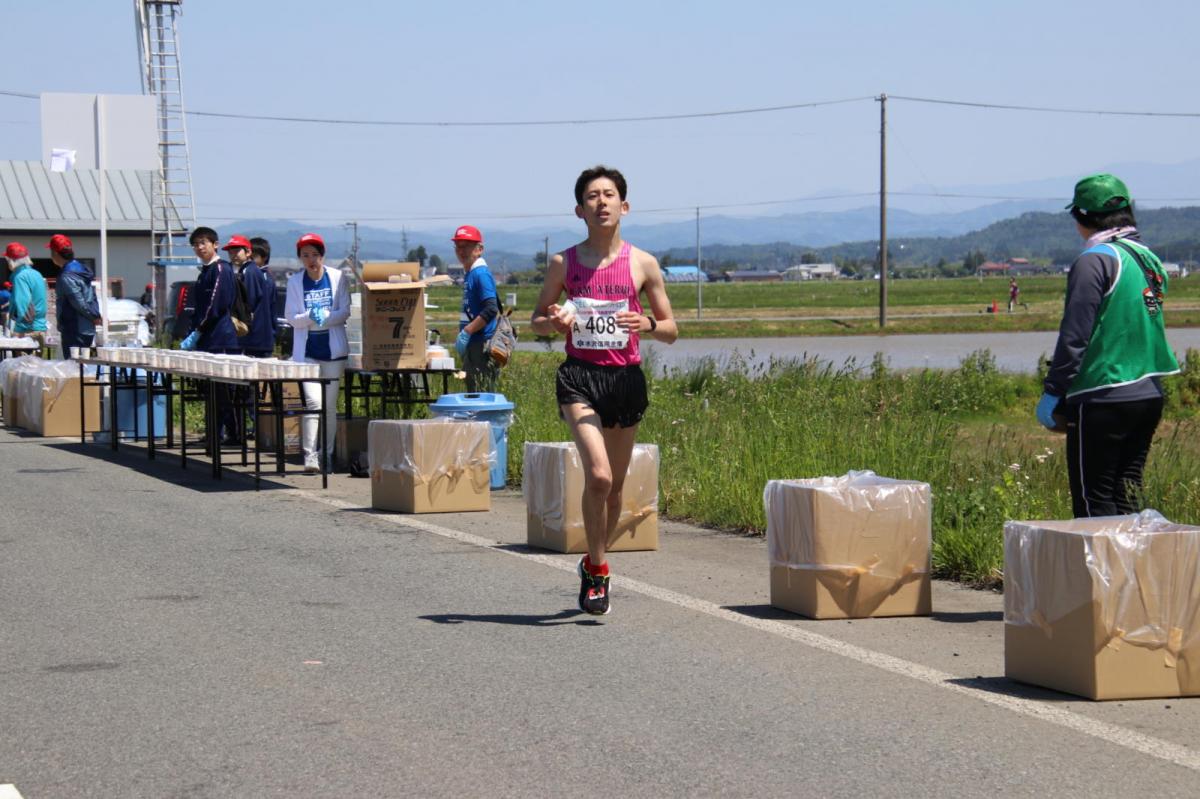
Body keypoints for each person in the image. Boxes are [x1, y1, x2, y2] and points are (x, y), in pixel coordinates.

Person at [530, 165, 677, 615]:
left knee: (613, 492)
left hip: (625, 380)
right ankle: (598, 571)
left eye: (609, 194)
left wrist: (647, 323)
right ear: (580, 209)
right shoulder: (564, 263)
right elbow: (536, 322)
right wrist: (553, 323)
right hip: (580, 377)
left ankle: (594, 561)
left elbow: (671, 329)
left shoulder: (643, 263)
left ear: (624, 206)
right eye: (592, 196)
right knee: (598, 476)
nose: (601, 202)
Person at [1038, 173, 1179, 517]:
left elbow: (1075, 335)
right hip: (1148, 393)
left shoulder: (1095, 260)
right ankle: (1130, 569)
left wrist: (1053, 391)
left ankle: (1101, 571)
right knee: (1127, 493)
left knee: (1094, 501)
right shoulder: (1147, 258)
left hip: (1103, 393)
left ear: (1081, 218)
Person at [285, 233, 350, 474]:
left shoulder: (337, 277)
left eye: (314, 254)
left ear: (322, 256)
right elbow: (292, 318)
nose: (311, 260)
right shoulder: (295, 282)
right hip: (307, 352)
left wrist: (327, 317)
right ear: (300, 258)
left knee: (330, 406)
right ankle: (310, 455)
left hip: (334, 352)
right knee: (313, 402)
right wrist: (309, 317)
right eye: (305, 255)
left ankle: (327, 454)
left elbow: (344, 312)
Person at [182, 226, 241, 445]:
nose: (199, 247)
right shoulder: (204, 271)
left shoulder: (220, 269)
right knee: (211, 389)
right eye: (196, 244)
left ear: (215, 244)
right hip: (207, 338)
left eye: (203, 243)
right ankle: (214, 432)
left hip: (221, 338)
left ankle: (233, 433)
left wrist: (199, 330)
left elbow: (215, 305)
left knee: (224, 389)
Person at [451, 225, 499, 392]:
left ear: (479, 249)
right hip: (474, 346)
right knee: (473, 393)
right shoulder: (470, 273)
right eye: (458, 246)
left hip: (481, 347)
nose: (461, 251)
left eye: (467, 246)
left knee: (480, 396)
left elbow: (491, 309)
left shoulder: (480, 274)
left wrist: (467, 332)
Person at [223, 234, 276, 358]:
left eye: (237, 250)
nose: (233, 254)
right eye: (230, 252)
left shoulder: (250, 271)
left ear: (248, 252)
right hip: (255, 338)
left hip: (252, 339)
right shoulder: (245, 271)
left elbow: (247, 304)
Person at [48, 234, 102, 352]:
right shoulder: (82, 269)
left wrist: (93, 317)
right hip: (87, 327)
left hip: (74, 327)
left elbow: (77, 300)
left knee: (73, 366)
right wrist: (95, 315)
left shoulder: (66, 275)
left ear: (55, 253)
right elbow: (91, 295)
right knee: (81, 364)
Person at [6, 243, 48, 345]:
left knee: (23, 361)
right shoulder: (37, 274)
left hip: (27, 331)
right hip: (39, 328)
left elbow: (25, 306)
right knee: (37, 360)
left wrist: (18, 332)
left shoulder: (20, 277)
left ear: (11, 261)